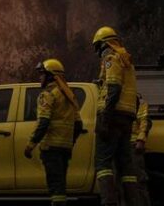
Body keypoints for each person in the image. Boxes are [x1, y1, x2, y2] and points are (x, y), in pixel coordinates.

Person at [24, 59, 84, 206]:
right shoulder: (68, 95)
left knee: (55, 187)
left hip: (50, 148)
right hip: (64, 148)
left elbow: (43, 123)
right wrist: (70, 142)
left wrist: (31, 145)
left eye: (42, 74)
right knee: (61, 185)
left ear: (51, 76)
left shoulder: (47, 95)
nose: (40, 78)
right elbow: (78, 124)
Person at [92, 26, 140, 206]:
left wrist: (105, 119)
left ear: (104, 45)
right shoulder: (127, 61)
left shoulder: (111, 58)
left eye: (98, 48)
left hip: (112, 117)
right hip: (126, 118)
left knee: (103, 164)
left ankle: (109, 203)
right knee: (125, 165)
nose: (99, 53)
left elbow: (114, 88)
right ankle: (133, 202)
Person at [131, 93, 152, 206]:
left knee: (138, 180)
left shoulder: (138, 101)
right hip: (120, 145)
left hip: (133, 146)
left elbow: (144, 121)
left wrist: (141, 140)